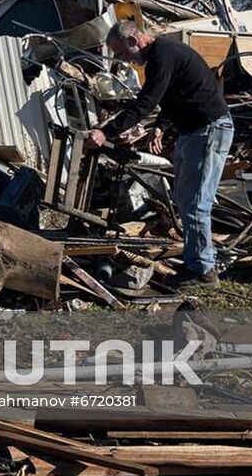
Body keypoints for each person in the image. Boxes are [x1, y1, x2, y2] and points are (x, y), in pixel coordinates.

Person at [87, 20, 234, 287]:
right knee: (186, 199)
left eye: (121, 53)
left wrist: (105, 132)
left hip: (208, 130)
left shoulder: (162, 54)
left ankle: (203, 271)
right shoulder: (163, 55)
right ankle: (198, 262)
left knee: (196, 202)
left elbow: (147, 101)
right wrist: (160, 127)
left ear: (134, 41)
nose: (125, 60)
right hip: (194, 131)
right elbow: (176, 93)